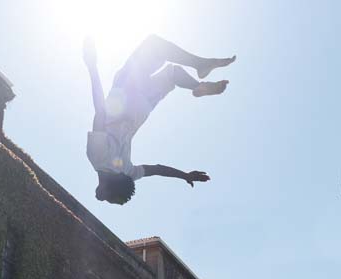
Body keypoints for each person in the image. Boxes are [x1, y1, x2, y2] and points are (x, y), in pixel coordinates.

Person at [84, 34, 235, 205]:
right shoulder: (97, 157)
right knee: (154, 46)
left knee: (173, 74)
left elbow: (157, 170)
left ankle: (198, 86)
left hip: (142, 109)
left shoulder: (128, 172)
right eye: (106, 199)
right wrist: (91, 66)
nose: (101, 199)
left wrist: (184, 175)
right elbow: (100, 111)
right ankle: (200, 67)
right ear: (104, 189)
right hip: (125, 97)